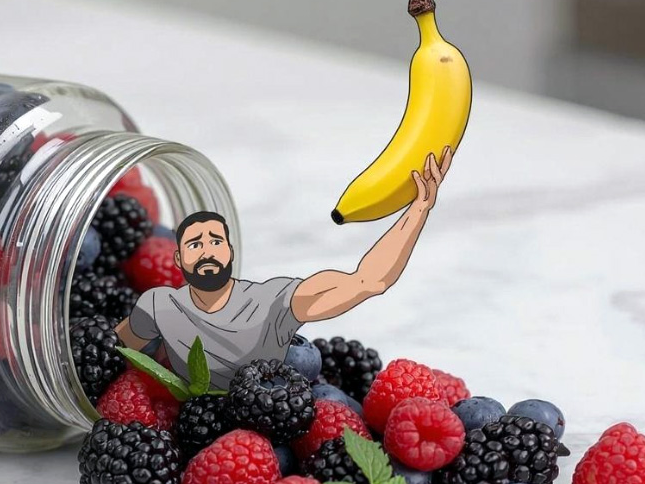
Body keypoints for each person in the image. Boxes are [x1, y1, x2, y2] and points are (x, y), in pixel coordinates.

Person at [114, 148, 453, 389]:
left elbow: (368, 281)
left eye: (215, 241)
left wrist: (418, 210)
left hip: (260, 422)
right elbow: (113, 359)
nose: (207, 252)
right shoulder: (157, 305)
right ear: (178, 258)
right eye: (195, 244)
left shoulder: (272, 301)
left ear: (231, 252)